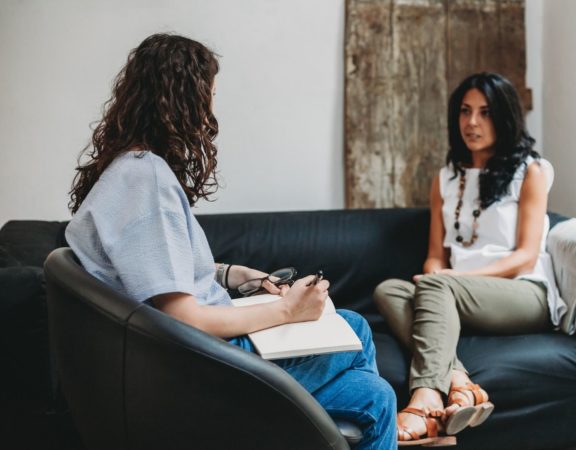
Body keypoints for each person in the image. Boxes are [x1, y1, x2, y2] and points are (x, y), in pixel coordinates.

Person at [65, 33, 396, 450]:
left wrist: (230, 275)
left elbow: (155, 271)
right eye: (210, 96)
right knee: (362, 350)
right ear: (182, 98)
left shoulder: (129, 170)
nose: (210, 112)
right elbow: (187, 319)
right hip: (203, 371)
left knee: (370, 379)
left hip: (193, 358)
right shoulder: (144, 180)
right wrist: (285, 309)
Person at [373, 72, 563, 446]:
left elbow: (525, 256)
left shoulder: (532, 171)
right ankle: (462, 384)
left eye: (485, 112)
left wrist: (447, 279)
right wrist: (437, 278)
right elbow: (434, 256)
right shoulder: (446, 178)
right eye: (464, 111)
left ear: (505, 117)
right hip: (456, 294)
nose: (472, 122)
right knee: (388, 290)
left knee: (435, 283)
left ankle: (426, 398)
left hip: (523, 293)